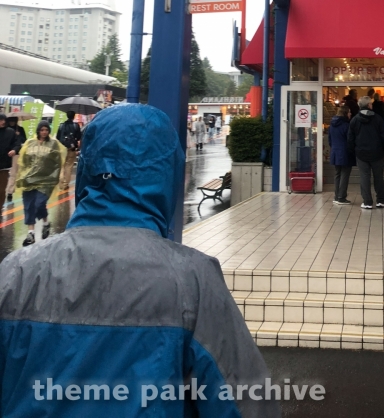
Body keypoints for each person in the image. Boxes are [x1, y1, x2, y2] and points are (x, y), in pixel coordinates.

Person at [0, 103, 279, 418]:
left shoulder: (17, 272)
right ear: (168, 175)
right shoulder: (193, 281)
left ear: (87, 170)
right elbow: (246, 402)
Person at [17, 120, 63, 246]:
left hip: (46, 180)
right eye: (42, 130)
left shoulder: (53, 144)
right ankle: (31, 233)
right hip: (29, 179)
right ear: (38, 130)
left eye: (46, 130)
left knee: (39, 203)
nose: (44, 132)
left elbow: (57, 162)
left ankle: (46, 223)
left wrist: (55, 178)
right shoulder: (30, 143)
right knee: (29, 205)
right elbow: (24, 160)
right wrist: (22, 175)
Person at [347, 95, 384, 209]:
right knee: (378, 177)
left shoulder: (354, 120)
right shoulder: (378, 118)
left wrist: (354, 151)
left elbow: (350, 138)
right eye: (371, 103)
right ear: (369, 105)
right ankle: (381, 200)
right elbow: (383, 137)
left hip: (361, 153)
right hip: (377, 153)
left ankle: (367, 202)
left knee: (364, 177)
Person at [328, 104, 355, 205]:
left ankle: (336, 196)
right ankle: (341, 197)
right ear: (345, 113)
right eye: (349, 112)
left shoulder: (332, 125)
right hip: (345, 152)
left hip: (335, 152)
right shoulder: (346, 125)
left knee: (337, 174)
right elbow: (350, 140)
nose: (350, 114)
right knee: (345, 174)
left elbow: (330, 140)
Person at [56, 110, 82, 191]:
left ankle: (61, 182)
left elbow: (57, 137)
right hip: (71, 149)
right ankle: (65, 184)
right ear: (73, 116)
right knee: (69, 166)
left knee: (62, 165)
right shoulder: (76, 126)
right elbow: (79, 137)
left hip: (62, 149)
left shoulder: (61, 125)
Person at [0, 114, 19, 211]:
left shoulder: (10, 132)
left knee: (1, 190)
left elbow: (17, 143)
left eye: (4, 120)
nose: (3, 122)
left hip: (4, 166)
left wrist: (14, 150)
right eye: (1, 120)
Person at [5, 115, 26, 203]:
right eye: (10, 121)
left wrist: (19, 135)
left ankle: (10, 192)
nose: (12, 122)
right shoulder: (5, 130)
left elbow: (24, 140)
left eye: (13, 121)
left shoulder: (20, 129)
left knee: (13, 174)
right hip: (5, 154)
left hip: (16, 154)